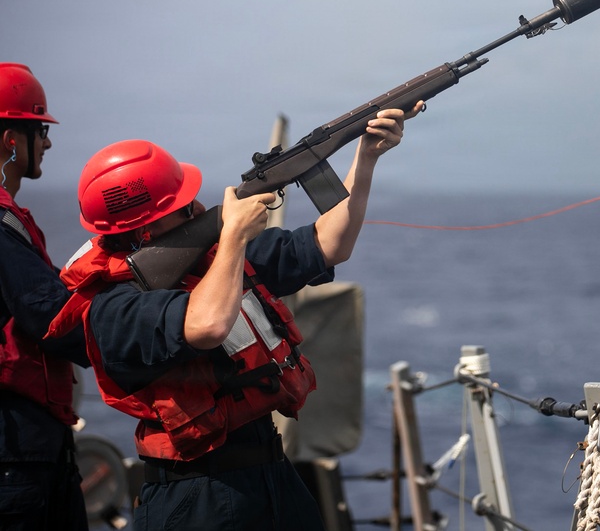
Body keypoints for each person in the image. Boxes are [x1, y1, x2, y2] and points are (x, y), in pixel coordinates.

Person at [47, 103, 419, 530]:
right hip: (196, 495)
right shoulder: (113, 306)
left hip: (272, 474)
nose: (197, 210)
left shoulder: (214, 259)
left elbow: (329, 245)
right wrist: (234, 236)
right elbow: (206, 325)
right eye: (185, 208)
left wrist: (366, 156)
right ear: (146, 231)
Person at [0, 63, 89, 530]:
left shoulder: (10, 222)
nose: (48, 143)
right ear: (11, 141)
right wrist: (128, 331)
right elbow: (47, 313)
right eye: (39, 130)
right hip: (15, 452)